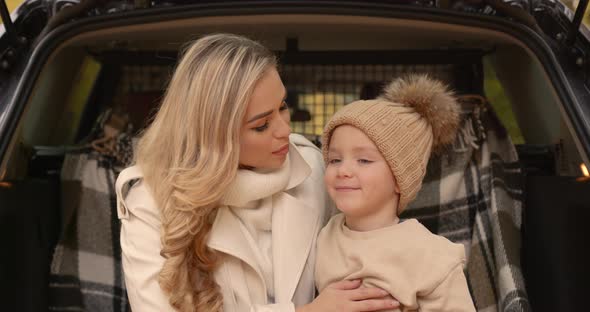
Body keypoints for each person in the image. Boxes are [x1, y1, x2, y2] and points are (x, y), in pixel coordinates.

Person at [114, 33, 400, 312]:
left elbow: (364, 251)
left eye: (283, 107)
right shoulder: (149, 203)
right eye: (261, 125)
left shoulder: (313, 167)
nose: (285, 130)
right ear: (214, 137)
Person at [315, 74, 476, 311]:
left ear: (400, 180)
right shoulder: (322, 236)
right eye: (334, 159)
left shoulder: (432, 256)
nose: (344, 170)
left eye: (364, 160)